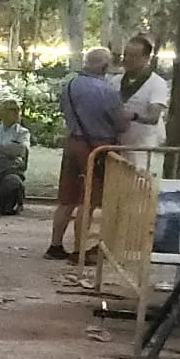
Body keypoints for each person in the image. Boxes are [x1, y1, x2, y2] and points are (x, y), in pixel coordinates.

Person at [47, 47, 123, 257]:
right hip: (96, 146)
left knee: (67, 198)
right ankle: (80, 251)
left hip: (73, 141)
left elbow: (64, 109)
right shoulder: (107, 91)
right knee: (87, 200)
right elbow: (120, 123)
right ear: (105, 65)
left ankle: (55, 245)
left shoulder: (70, 85)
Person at [111, 35, 168, 172]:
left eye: (134, 56)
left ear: (146, 58)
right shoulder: (115, 81)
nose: (128, 59)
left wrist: (134, 116)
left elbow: (154, 117)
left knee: (138, 183)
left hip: (142, 146)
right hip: (117, 143)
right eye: (126, 55)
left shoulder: (156, 83)